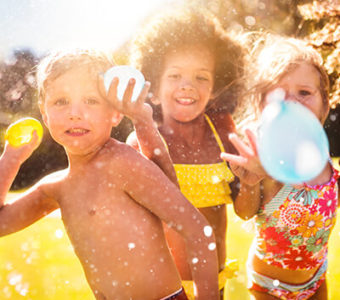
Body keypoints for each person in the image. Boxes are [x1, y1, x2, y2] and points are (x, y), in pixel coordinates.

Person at [0, 49, 220, 300]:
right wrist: (10, 160)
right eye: (61, 101)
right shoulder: (56, 187)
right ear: (44, 114)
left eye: (91, 101)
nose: (75, 113)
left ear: (115, 112)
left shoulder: (121, 164)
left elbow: (197, 230)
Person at [111, 6, 246, 299]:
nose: (188, 85)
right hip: (162, 288)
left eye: (201, 77)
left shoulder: (224, 135)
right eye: (174, 75)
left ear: (215, 86)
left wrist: (252, 179)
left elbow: (245, 207)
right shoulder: (142, 140)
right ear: (154, 89)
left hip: (214, 283)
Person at [221, 34, 340, 300]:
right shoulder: (264, 159)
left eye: (304, 93)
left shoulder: (324, 160)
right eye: (279, 96)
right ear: (262, 106)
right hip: (269, 286)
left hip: (317, 279)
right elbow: (245, 213)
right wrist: (251, 184)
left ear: (325, 104)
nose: (293, 104)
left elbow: (328, 203)